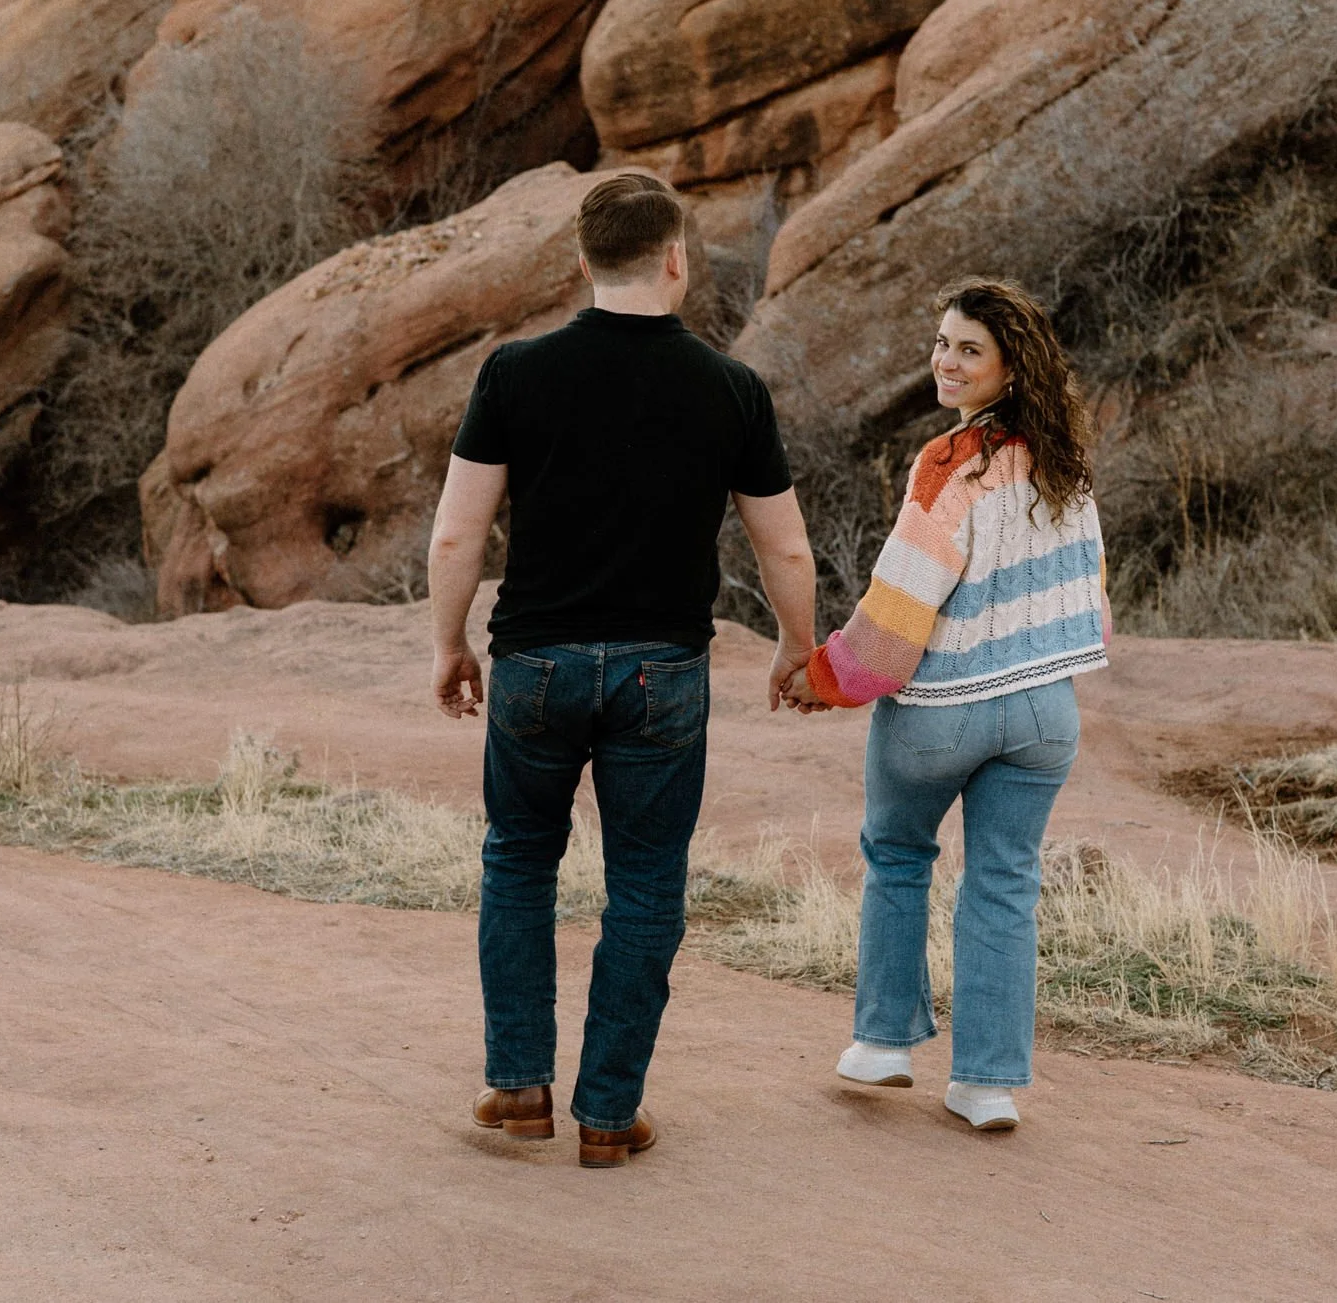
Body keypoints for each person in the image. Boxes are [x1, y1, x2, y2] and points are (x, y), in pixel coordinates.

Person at [428, 172, 816, 1169]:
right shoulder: (730, 388)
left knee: (518, 859)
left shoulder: (514, 374)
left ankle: (517, 1083)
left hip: (535, 666)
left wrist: (449, 642)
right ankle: (607, 1112)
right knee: (644, 888)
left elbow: (457, 533)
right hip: (662, 674)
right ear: (677, 258)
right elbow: (785, 552)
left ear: (585, 261)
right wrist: (794, 642)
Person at [785, 276, 1107, 1132]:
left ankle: (885, 1043)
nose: (946, 360)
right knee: (1004, 882)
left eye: (969, 348)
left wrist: (825, 677)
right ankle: (986, 1084)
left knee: (897, 851)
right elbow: (1091, 600)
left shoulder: (948, 463)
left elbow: (899, 608)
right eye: (941, 344)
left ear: (1008, 368)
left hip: (946, 708)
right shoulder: (1068, 461)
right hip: (1045, 713)